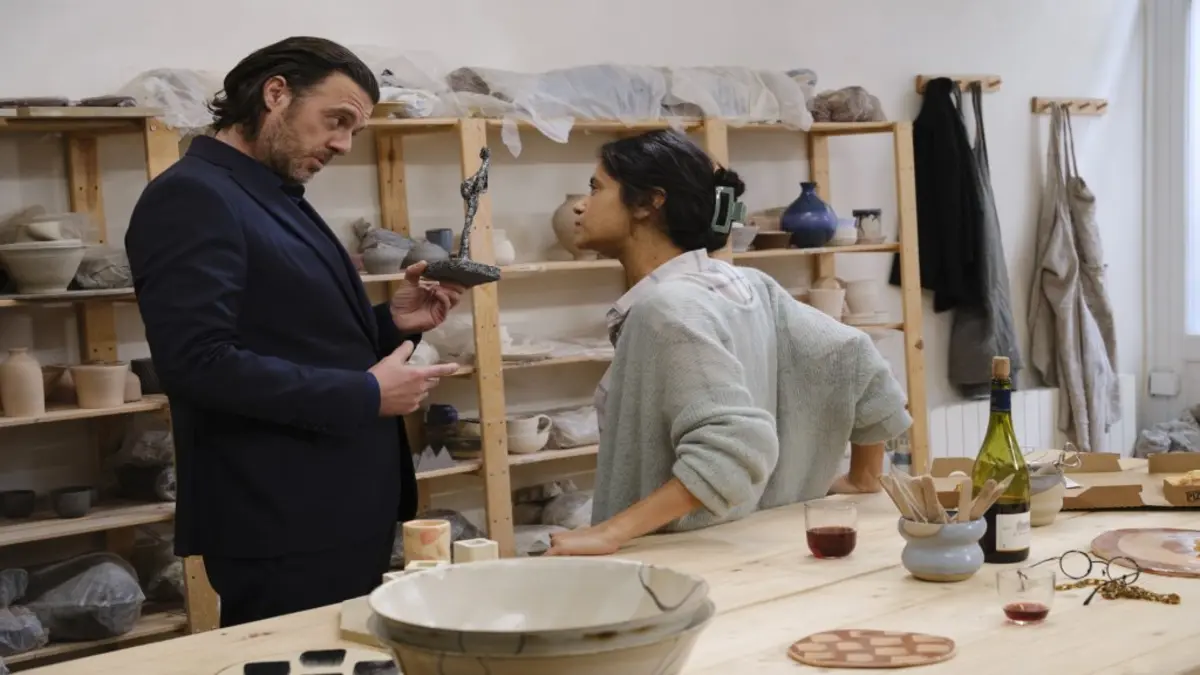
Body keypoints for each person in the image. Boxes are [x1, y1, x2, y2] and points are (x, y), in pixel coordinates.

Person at [125, 36, 463, 627]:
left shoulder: (270, 194)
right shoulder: (192, 195)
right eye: (336, 120)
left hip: (332, 510)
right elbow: (196, 361)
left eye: (353, 130)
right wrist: (365, 394)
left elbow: (295, 336)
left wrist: (391, 322)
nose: (343, 144)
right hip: (281, 520)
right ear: (276, 93)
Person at [545, 130, 912, 557]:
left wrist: (612, 531)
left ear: (648, 202)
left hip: (679, 561)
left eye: (596, 188)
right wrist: (863, 477)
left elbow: (736, 447)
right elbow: (855, 358)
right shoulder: (749, 285)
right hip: (744, 553)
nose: (581, 204)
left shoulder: (666, 309)